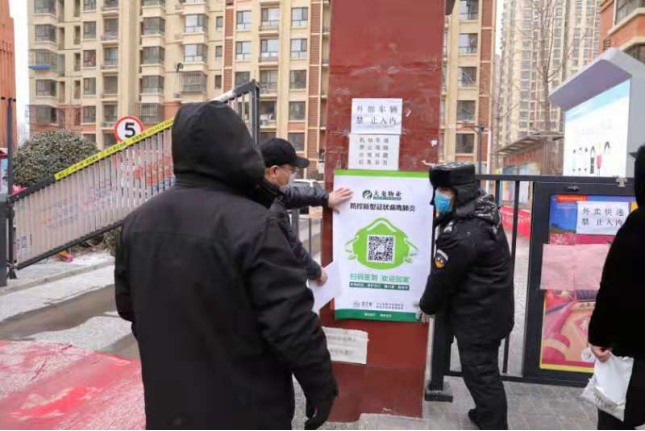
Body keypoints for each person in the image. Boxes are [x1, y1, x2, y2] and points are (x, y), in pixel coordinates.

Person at [115, 101, 338, 431]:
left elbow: (129, 308)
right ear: (238, 150)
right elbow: (290, 323)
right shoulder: (256, 225)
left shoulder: (137, 223)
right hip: (247, 407)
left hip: (169, 405)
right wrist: (320, 384)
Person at [419, 163, 515, 431]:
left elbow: (441, 278)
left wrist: (427, 306)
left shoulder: (463, 233)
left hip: (480, 316)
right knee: (482, 371)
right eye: (438, 189)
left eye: (445, 190)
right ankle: (485, 414)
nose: (440, 195)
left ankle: (494, 423)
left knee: (481, 374)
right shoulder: (483, 210)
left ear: (461, 192)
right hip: (490, 309)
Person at [588, 145, 645, 431]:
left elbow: (615, 288)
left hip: (635, 355)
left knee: (619, 418)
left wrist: (600, 336)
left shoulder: (639, 225)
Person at [259, 138, 353, 285]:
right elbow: (292, 248)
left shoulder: (260, 189)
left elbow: (290, 196)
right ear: (274, 171)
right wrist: (316, 272)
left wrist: (326, 198)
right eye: (291, 170)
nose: (293, 175)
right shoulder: (271, 209)